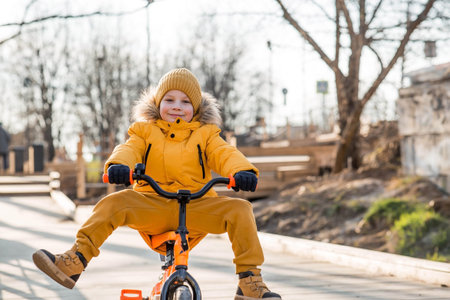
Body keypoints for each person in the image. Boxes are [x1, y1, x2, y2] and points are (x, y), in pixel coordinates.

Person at [32, 68, 281, 300]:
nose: (176, 107)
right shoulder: (145, 131)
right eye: (169, 100)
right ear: (158, 103)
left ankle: (249, 280)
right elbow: (129, 149)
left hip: (197, 205)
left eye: (185, 102)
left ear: (195, 108)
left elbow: (224, 153)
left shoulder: (206, 135)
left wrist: (242, 170)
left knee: (240, 210)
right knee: (112, 204)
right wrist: (120, 165)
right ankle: (75, 259)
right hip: (152, 203)